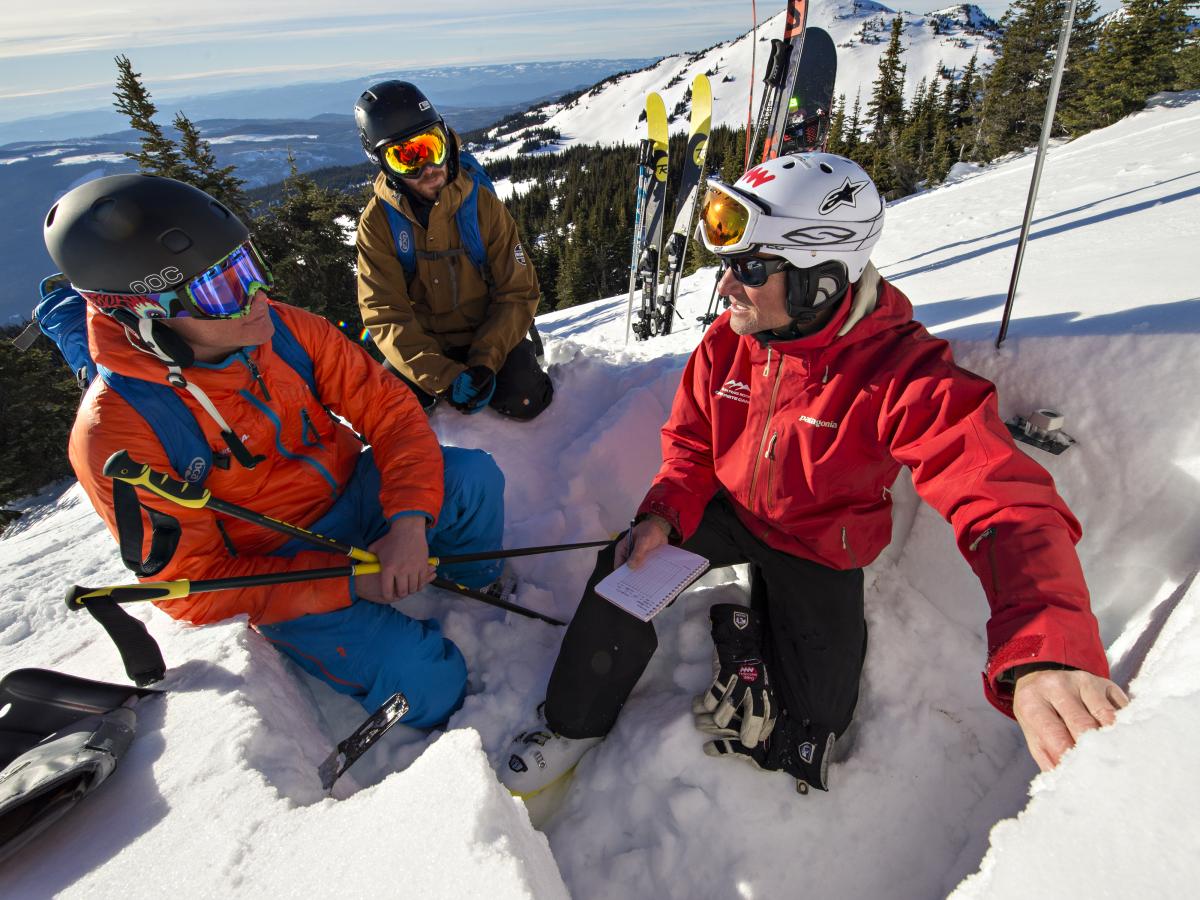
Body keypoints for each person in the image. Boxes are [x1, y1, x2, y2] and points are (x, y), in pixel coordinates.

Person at [499, 153, 1127, 794]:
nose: (726, 287)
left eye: (749, 268)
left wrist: (1046, 643)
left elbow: (1001, 497)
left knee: (814, 723)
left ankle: (757, 645)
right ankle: (573, 722)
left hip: (820, 544)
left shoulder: (901, 374)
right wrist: (663, 514)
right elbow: (691, 444)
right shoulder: (728, 342)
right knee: (622, 571)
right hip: (732, 512)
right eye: (727, 266)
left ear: (818, 283)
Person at [45, 173, 509, 728]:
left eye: (249, 267)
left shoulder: (285, 330)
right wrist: (346, 580)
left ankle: (473, 581)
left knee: (473, 480)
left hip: (353, 495)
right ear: (145, 318)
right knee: (430, 684)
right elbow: (192, 587)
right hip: (273, 564)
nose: (255, 296)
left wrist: (409, 522)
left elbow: (390, 412)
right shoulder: (115, 433)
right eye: (222, 289)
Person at [354, 80, 553, 419]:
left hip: (487, 333)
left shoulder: (481, 205)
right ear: (384, 164)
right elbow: (385, 314)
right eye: (407, 158)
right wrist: (442, 376)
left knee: (527, 400)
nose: (429, 168)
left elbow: (517, 291)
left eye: (433, 147)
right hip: (426, 345)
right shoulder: (378, 224)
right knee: (384, 415)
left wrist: (485, 361)